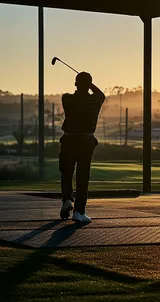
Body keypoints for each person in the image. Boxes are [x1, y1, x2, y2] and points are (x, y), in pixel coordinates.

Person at [59, 72, 105, 223]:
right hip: (86, 140)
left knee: (66, 171)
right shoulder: (95, 100)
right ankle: (79, 211)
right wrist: (90, 84)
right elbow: (101, 94)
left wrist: (83, 83)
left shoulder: (67, 98)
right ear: (89, 85)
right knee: (82, 175)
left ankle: (66, 199)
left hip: (69, 139)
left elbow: (74, 93)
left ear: (75, 84)